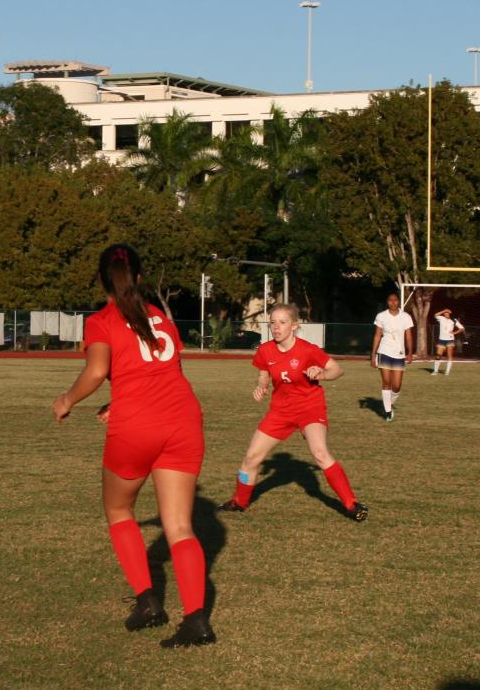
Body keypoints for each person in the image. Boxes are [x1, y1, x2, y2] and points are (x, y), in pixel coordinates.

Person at [51, 243, 215, 648]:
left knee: (119, 509)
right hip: (184, 420)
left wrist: (67, 400)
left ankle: (148, 602)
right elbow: (160, 370)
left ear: (102, 281)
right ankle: (195, 620)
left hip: (138, 426)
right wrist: (118, 397)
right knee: (180, 526)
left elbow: (98, 369)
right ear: (139, 279)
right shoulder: (158, 316)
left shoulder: (102, 320)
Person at [218, 303, 367, 521]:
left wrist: (321, 374)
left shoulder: (308, 350)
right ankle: (239, 502)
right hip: (280, 411)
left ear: (294, 326)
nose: (276, 327)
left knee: (319, 453)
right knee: (251, 458)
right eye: (272, 322)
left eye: (282, 322)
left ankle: (351, 504)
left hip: (309, 407)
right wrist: (262, 385)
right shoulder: (265, 349)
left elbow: (337, 369)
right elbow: (263, 373)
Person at [370, 292, 415, 421]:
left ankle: (389, 403)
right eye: (390, 300)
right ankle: (388, 412)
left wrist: (410, 352)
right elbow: (377, 335)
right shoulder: (381, 316)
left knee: (396, 386)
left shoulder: (406, 317)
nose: (393, 302)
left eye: (395, 300)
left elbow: (408, 336)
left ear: (398, 302)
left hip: (399, 354)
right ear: (387, 302)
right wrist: (373, 355)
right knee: (386, 382)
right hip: (384, 352)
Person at [431, 308, 465, 376]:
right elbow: (435, 315)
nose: (446, 314)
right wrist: (444, 310)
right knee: (438, 356)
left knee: (449, 356)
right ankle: (435, 371)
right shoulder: (441, 318)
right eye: (445, 313)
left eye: (447, 312)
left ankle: (447, 372)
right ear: (444, 313)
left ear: (450, 313)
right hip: (441, 339)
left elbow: (462, 328)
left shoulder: (453, 320)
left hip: (450, 340)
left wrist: (455, 332)